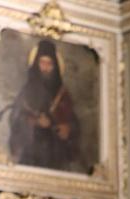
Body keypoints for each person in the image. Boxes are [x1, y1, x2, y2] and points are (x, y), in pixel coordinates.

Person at [9, 39, 80, 171]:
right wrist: (35, 122)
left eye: (49, 64)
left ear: (55, 66)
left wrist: (68, 129)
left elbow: (74, 122)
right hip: (32, 156)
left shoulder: (63, 94)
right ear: (36, 64)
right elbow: (15, 119)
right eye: (42, 63)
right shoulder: (27, 91)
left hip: (57, 155)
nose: (46, 68)